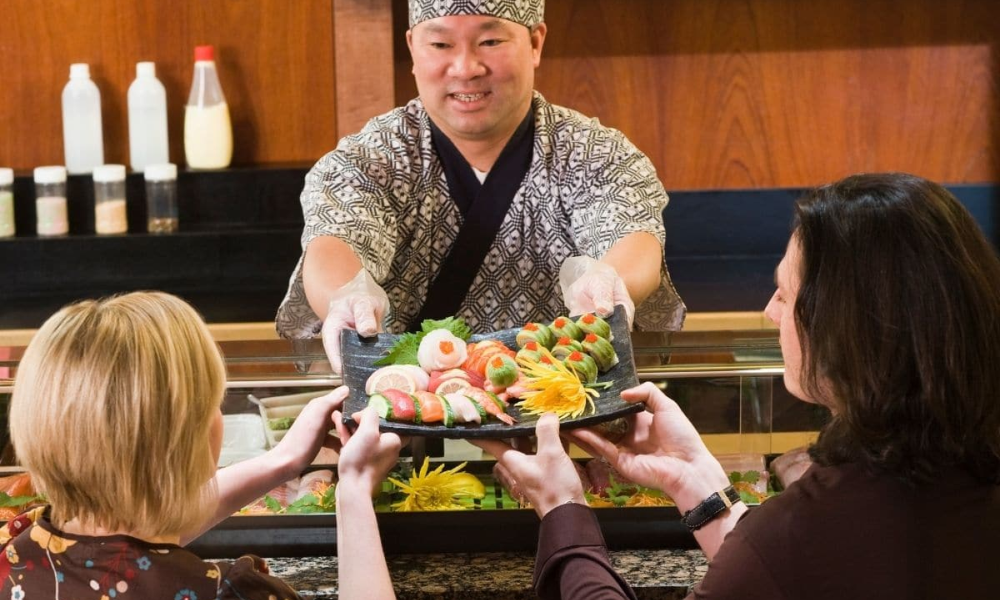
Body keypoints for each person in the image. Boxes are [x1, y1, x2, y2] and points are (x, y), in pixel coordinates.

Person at [478, 173, 1000, 599]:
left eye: (785, 293)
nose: (770, 312)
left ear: (847, 327)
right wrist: (695, 482)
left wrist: (565, 512)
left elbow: (783, 561)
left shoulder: (805, 529)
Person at [275, 0, 686, 372]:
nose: (466, 68)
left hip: (563, 420)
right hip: (403, 423)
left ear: (535, 43)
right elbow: (338, 240)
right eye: (440, 45)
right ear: (412, 48)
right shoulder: (369, 159)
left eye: (490, 40)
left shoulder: (597, 153)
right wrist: (347, 299)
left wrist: (608, 282)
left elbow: (629, 233)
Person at [2, 291, 403, 598]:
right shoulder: (232, 592)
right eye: (214, 401)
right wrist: (354, 491)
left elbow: (125, 545)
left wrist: (284, 460)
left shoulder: (12, 550)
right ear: (185, 439)